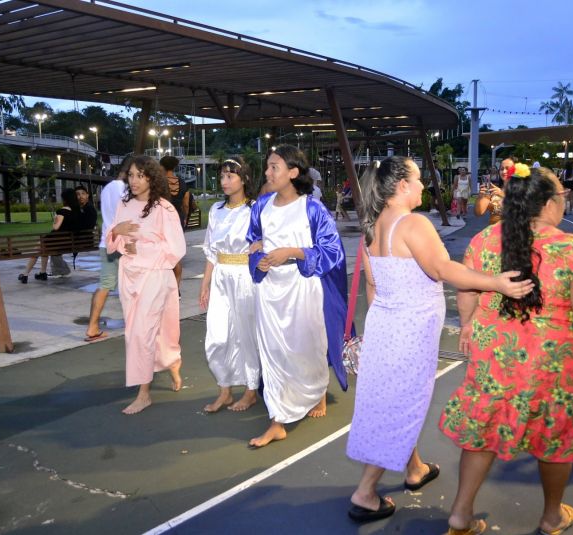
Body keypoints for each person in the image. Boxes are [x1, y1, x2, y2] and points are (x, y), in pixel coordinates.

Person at [345, 157, 534, 523]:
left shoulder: (373, 226)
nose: (422, 186)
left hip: (385, 325)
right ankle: (366, 492)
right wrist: (496, 283)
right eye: (417, 180)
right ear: (401, 185)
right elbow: (443, 269)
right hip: (409, 331)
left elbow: (373, 285)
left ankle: (414, 469)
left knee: (393, 400)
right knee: (400, 407)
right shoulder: (413, 223)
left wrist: (381, 327)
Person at [438, 165, 573, 535]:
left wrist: (469, 325)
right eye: (563, 197)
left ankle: (460, 513)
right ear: (550, 203)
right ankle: (551, 517)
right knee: (554, 434)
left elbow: (467, 289)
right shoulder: (569, 247)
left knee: (483, 429)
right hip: (548, 362)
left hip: (492, 356)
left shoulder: (486, 239)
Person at [246, 145, 348, 448]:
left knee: (307, 346)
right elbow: (253, 242)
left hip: (303, 288)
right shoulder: (260, 206)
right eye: (268, 167)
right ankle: (277, 419)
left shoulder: (312, 209)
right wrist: (259, 258)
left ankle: (316, 391)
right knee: (273, 351)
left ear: (293, 172)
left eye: (274, 167)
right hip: (269, 288)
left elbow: (332, 251)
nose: (267, 172)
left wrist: (292, 252)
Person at [107, 155, 187, 414]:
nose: (134, 180)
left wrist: (140, 248)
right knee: (150, 329)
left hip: (155, 276)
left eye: (140, 175)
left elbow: (176, 248)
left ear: (152, 177)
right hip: (129, 275)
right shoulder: (123, 204)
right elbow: (114, 240)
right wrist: (118, 234)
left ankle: (144, 394)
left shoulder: (165, 209)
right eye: (131, 175)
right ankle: (173, 364)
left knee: (140, 332)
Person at [199, 157, 260, 413]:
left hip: (245, 275)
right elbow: (212, 250)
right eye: (222, 176)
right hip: (222, 275)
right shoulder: (216, 210)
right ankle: (224, 389)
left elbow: (266, 241)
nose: (224, 181)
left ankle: (250, 389)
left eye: (230, 176)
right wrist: (205, 283)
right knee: (217, 335)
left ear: (244, 178)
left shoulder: (255, 208)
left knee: (247, 334)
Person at [84, 155, 132, 342]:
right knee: (129, 286)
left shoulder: (107, 188)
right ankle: (132, 323)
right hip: (122, 244)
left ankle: (93, 326)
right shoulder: (126, 191)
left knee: (104, 285)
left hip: (106, 242)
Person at [18, 188, 80, 283]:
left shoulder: (62, 211)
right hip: (68, 241)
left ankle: (25, 274)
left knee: (37, 250)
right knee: (44, 249)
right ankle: (42, 273)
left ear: (65, 199)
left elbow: (56, 227)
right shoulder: (77, 211)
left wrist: (55, 220)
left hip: (56, 240)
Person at [161, 155, 194, 297]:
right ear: (174, 167)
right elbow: (186, 203)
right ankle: (176, 290)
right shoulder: (182, 182)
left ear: (162, 167)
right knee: (175, 255)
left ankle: (164, 288)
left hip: (162, 220)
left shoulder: (159, 183)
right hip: (177, 219)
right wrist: (185, 217)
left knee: (162, 255)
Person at [474, 157, 515, 225]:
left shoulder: (523, 190)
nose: (504, 171)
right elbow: (479, 213)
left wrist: (503, 195)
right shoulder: (493, 190)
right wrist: (480, 197)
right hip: (494, 233)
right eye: (502, 169)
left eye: (507, 168)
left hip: (514, 232)